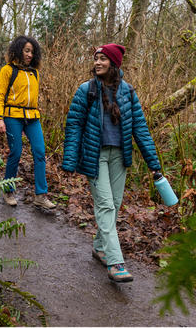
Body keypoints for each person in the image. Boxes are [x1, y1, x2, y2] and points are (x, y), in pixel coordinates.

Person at [61, 43, 161, 282]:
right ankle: (116, 262)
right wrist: (70, 161)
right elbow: (74, 126)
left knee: (114, 205)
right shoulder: (86, 90)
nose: (98, 63)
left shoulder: (128, 92)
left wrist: (153, 163)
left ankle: (99, 247)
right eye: (96, 58)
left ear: (114, 63)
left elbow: (141, 129)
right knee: (105, 206)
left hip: (119, 156)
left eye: (103, 59)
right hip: (95, 155)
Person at [0, 35, 55, 209]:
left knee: (40, 152)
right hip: (12, 116)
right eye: (26, 51)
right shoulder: (7, 70)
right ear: (18, 50)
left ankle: (41, 195)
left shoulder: (34, 72)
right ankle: (8, 190)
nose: (29, 55)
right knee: (16, 152)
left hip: (33, 118)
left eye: (32, 52)